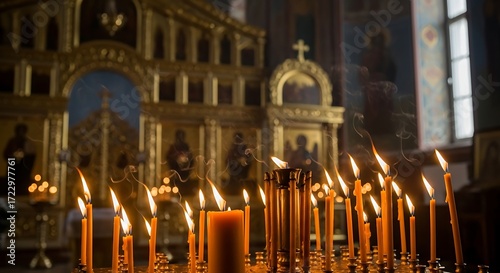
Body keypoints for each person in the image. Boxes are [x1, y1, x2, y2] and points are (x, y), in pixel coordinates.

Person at [3, 123, 36, 195]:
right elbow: (6, 153)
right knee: (11, 184)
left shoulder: (27, 142)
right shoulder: (12, 141)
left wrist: (25, 156)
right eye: (19, 131)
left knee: (22, 184)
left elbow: (31, 155)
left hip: (23, 168)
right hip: (13, 165)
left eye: (22, 131)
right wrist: (13, 156)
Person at [166, 130, 194, 195]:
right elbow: (168, 157)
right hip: (175, 169)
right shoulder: (173, 146)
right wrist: (176, 158)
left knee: (184, 186)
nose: (180, 138)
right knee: (175, 184)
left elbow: (191, 157)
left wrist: (186, 159)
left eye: (182, 136)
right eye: (179, 136)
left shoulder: (186, 146)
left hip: (185, 171)